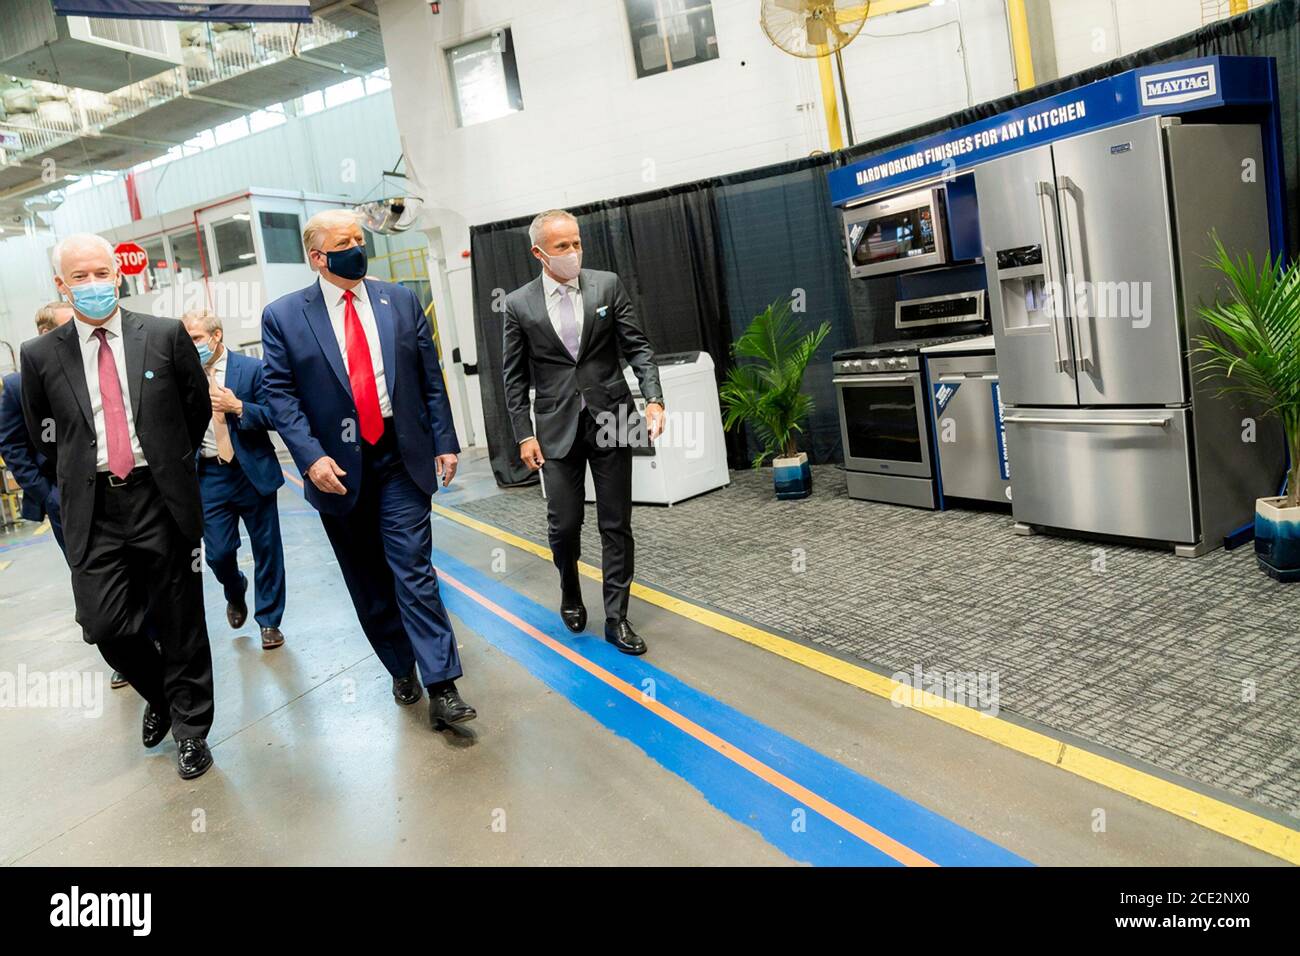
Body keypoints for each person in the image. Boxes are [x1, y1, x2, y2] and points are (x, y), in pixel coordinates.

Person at [259, 210, 474, 730]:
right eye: (344, 241)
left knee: (413, 572)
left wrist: (444, 440)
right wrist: (310, 458)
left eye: (360, 237)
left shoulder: (396, 300)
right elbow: (281, 396)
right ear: (317, 256)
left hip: (400, 456)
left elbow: (428, 375)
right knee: (369, 580)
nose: (357, 246)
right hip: (338, 469)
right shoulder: (284, 316)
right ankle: (401, 667)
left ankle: (442, 684)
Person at [20, 233, 216, 779]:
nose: (92, 285)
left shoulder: (163, 336)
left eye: (99, 273)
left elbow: (193, 410)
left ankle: (192, 730)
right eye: (78, 277)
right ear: (62, 285)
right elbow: (43, 433)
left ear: (118, 274)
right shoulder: (40, 355)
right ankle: (160, 695)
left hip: (160, 496)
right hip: (94, 506)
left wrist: (170, 463)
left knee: (181, 622)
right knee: (105, 624)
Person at [501, 209, 665, 655]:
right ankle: (570, 589)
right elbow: (513, 378)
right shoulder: (519, 305)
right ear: (539, 253)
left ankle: (617, 618)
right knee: (565, 524)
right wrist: (523, 434)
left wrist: (653, 398)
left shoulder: (607, 285)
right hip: (554, 426)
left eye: (576, 243)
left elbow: (638, 347)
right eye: (562, 246)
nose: (573, 252)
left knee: (616, 523)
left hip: (612, 416)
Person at [1, 300, 130, 691]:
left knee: (137, 570)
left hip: (116, 488)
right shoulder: (17, 384)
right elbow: (15, 447)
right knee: (92, 582)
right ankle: (124, 653)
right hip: (66, 502)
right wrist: (51, 496)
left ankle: (147, 640)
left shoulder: (96, 367)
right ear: (46, 333)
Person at [183, 309, 287, 651]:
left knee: (267, 549)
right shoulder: (182, 375)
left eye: (195, 338)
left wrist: (239, 406)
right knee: (217, 553)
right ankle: (235, 588)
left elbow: (277, 416)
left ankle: (269, 620)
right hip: (209, 474)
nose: (190, 344)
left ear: (216, 336)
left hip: (251, 471)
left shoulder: (252, 369)